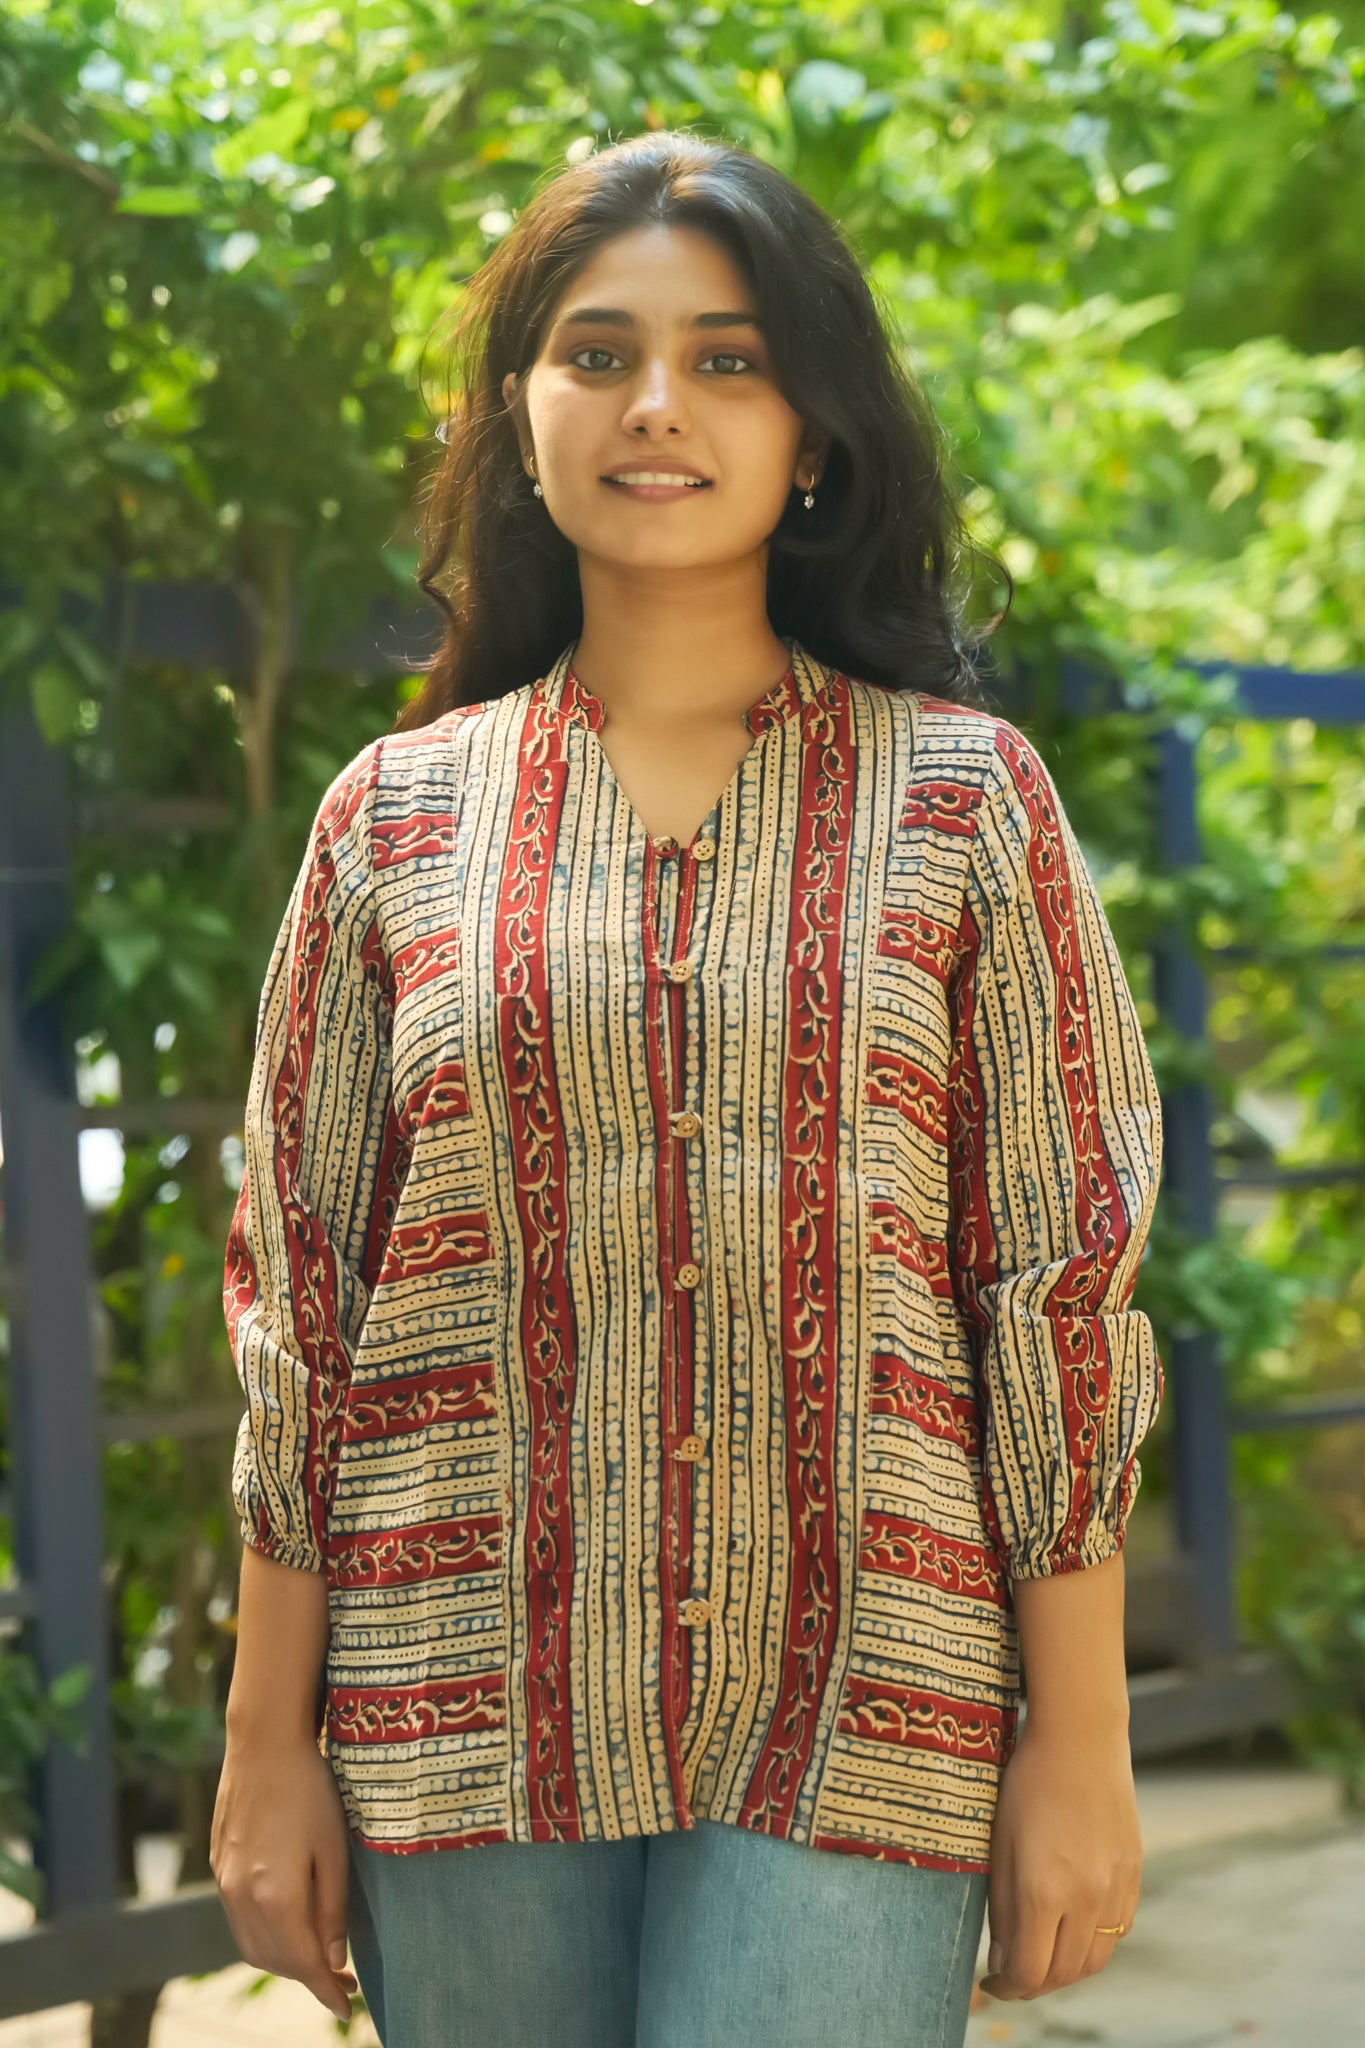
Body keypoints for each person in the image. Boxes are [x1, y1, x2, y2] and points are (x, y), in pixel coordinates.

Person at [210, 130, 1165, 2048]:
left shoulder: (965, 803)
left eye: (728, 357)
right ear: (523, 414)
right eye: (599, 352)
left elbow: (1051, 1299)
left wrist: (1082, 1744)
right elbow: (302, 1302)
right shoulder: (394, 823)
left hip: (866, 1699)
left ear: (812, 431)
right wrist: (261, 1748)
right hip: (454, 1703)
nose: (659, 405)